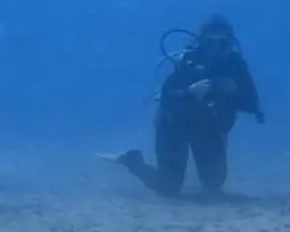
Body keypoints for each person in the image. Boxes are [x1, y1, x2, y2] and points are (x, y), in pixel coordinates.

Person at [100, 15, 265, 198]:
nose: (216, 49)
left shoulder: (236, 67)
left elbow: (253, 105)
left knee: (214, 183)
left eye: (222, 43)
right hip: (174, 126)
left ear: (230, 44)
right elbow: (166, 97)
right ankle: (132, 161)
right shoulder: (188, 63)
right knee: (168, 188)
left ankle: (199, 173)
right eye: (210, 42)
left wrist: (234, 91)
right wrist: (188, 92)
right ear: (202, 42)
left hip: (208, 129)